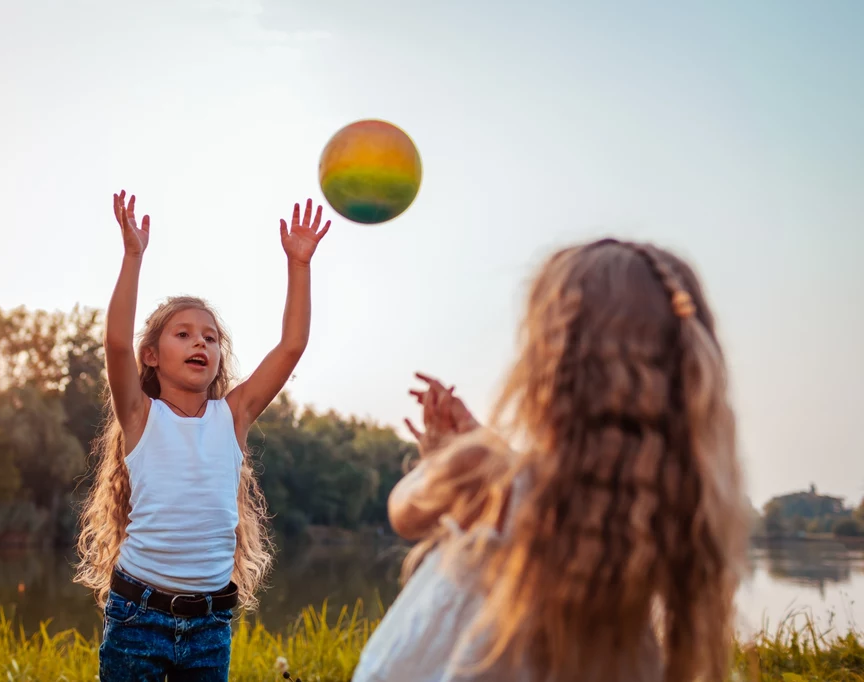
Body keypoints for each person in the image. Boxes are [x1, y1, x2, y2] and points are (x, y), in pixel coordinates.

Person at [353, 238, 750, 682]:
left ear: (550, 369)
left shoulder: (488, 475)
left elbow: (404, 512)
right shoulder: (670, 508)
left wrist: (444, 455)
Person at [74, 190, 330, 681]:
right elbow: (113, 341)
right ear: (151, 355)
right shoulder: (140, 415)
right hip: (137, 616)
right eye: (184, 334)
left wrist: (299, 265)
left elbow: (292, 346)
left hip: (211, 622)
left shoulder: (233, 416)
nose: (201, 343)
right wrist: (133, 257)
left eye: (210, 337)